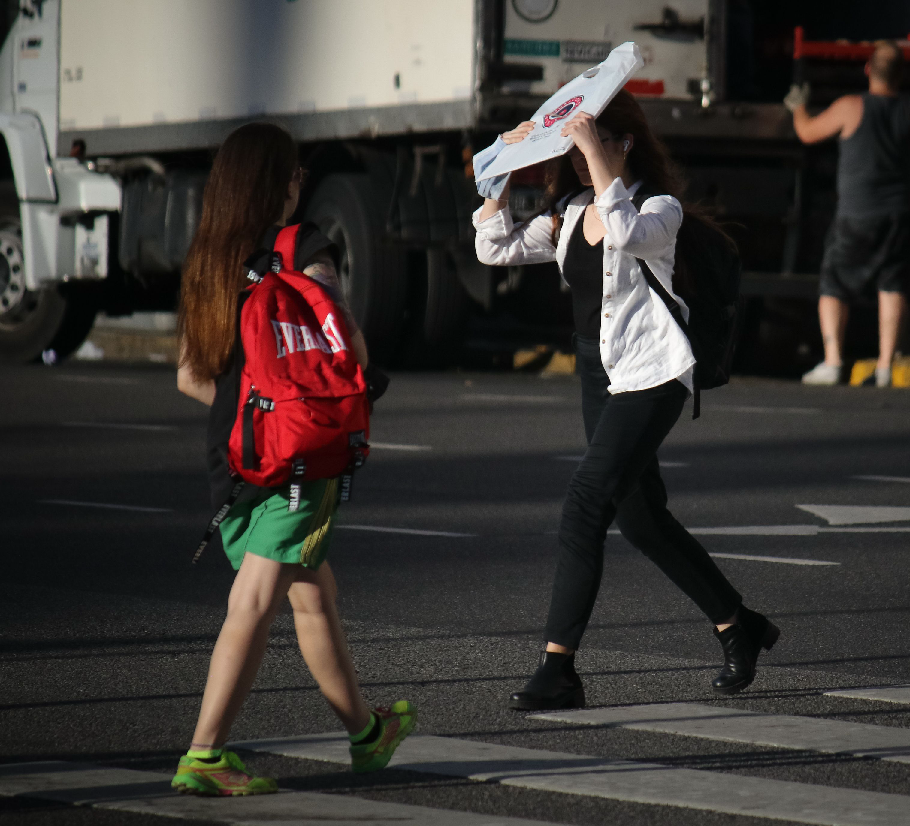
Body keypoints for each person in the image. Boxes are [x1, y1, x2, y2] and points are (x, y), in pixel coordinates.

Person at [474, 91, 780, 710]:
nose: (581, 161)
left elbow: (626, 234)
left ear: (626, 143)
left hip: (653, 372)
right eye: (575, 149)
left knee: (586, 503)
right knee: (640, 519)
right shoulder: (571, 209)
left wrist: (594, 152)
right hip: (598, 370)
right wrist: (505, 175)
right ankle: (738, 624)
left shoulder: (657, 209)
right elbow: (494, 247)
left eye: (595, 144)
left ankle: (559, 669)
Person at [173, 122, 414, 796]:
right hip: (297, 464)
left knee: (315, 594)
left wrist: (247, 413)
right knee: (253, 600)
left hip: (235, 462)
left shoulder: (209, 260)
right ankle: (206, 754)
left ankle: (368, 734)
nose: (300, 185)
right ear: (278, 183)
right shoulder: (303, 249)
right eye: (295, 173)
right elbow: (349, 352)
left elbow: (190, 377)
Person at [787, 40, 910, 387]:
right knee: (892, 283)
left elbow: (807, 133)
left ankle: (833, 361)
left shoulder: (850, 106)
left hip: (857, 213)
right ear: (902, 75)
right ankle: (886, 365)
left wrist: (798, 106)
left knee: (835, 283)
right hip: (899, 214)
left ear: (868, 69)